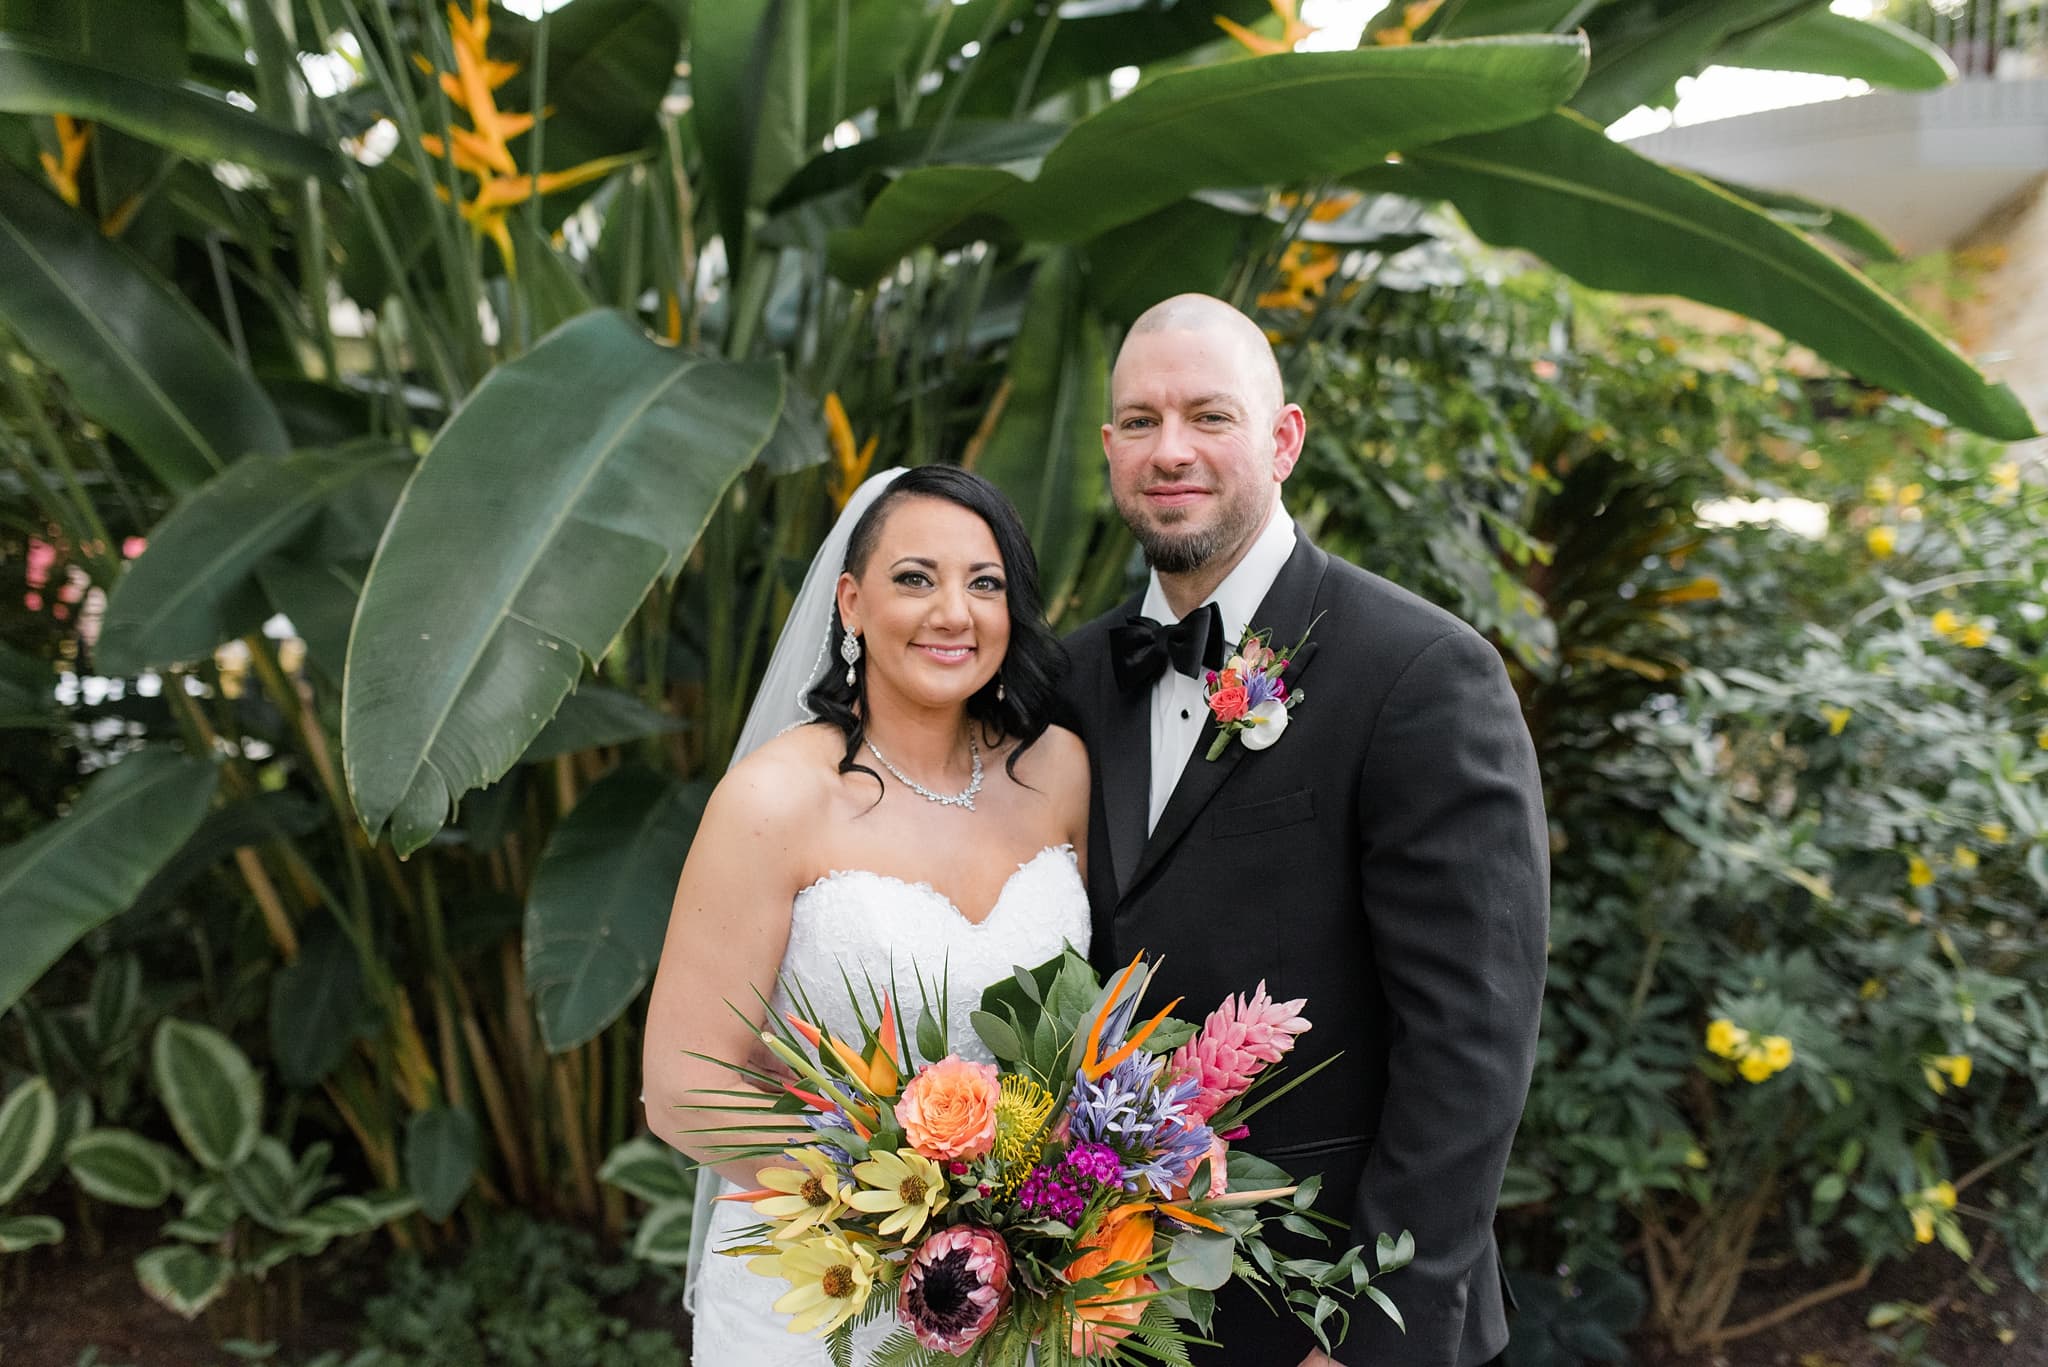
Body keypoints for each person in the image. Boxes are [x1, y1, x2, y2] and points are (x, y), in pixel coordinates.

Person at [1063, 294, 1550, 1367]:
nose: (1169, 448)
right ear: (1108, 449)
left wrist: (1370, 1332)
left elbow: (1470, 1039)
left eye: (1208, 415)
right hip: (1107, 1306)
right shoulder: (1072, 676)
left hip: (1324, 1314)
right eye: (1138, 421)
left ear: (1282, 439)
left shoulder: (1421, 673)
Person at [640, 466, 1092, 1365]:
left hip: (1024, 1300)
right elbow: (685, 1086)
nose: (953, 612)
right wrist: (903, 1225)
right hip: (818, 1299)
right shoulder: (774, 798)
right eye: (915, 578)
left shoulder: (1059, 774)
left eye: (985, 582)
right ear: (850, 602)